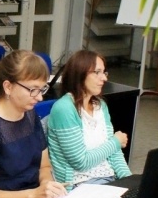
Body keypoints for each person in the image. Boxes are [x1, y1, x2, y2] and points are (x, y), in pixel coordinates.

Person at [0, 50, 68, 198]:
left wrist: (47, 186)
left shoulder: (29, 113)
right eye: (33, 89)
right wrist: (34, 194)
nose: (40, 97)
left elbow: (44, 166)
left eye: (42, 89)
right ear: (8, 86)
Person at [46, 49, 130, 188]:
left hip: (109, 179)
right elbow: (81, 162)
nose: (104, 78)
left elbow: (114, 154)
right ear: (79, 74)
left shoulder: (100, 105)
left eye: (104, 72)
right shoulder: (65, 108)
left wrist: (130, 181)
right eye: (97, 72)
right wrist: (116, 141)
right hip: (79, 185)